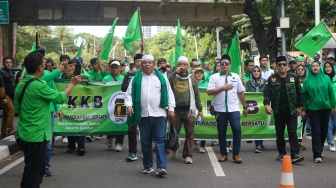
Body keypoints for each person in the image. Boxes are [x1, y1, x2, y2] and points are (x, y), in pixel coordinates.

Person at [14, 51, 81, 188]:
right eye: (44, 64)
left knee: (29, 170)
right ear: (39, 67)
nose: (45, 66)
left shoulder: (22, 84)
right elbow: (60, 97)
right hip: (38, 136)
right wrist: (72, 84)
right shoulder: (38, 85)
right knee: (35, 175)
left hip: (25, 133)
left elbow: (17, 109)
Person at [125, 54, 175, 176]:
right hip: (143, 115)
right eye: (145, 62)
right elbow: (128, 94)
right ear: (141, 65)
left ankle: (161, 167)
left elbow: (169, 93)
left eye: (150, 62)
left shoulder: (161, 77)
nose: (147, 64)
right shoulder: (136, 78)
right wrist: (129, 105)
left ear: (154, 64)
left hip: (159, 114)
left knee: (160, 141)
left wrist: (171, 108)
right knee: (146, 142)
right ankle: (148, 166)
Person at [207, 54, 248, 163]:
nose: (224, 66)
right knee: (221, 132)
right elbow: (209, 91)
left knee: (236, 129)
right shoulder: (214, 77)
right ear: (219, 65)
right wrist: (222, 88)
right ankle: (224, 154)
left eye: (226, 64)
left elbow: (240, 92)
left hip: (233, 109)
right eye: (222, 64)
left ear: (230, 65)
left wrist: (245, 106)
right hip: (220, 109)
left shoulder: (235, 76)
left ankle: (236, 154)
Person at [263, 56, 304, 163]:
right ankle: (282, 152)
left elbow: (299, 92)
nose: (282, 66)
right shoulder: (272, 79)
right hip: (278, 110)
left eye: (284, 64)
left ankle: (295, 154)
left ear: (287, 66)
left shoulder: (293, 77)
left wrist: (301, 107)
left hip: (291, 110)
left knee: (292, 131)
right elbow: (267, 93)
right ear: (276, 66)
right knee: (280, 133)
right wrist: (266, 105)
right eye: (279, 64)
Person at [168, 56, 203, 164]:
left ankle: (188, 155)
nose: (182, 66)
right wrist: (174, 72)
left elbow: (196, 95)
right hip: (175, 110)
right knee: (174, 132)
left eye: (184, 64)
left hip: (189, 110)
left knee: (190, 134)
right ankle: (174, 148)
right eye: (180, 64)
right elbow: (165, 84)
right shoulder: (173, 77)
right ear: (177, 66)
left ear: (188, 66)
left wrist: (200, 109)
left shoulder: (191, 79)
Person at [302, 61, 336, 163]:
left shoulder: (326, 78)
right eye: (313, 66)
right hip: (313, 109)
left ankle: (320, 148)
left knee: (324, 130)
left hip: (325, 108)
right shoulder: (307, 81)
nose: (315, 67)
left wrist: (333, 105)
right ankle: (317, 154)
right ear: (310, 68)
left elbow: (331, 92)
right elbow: (304, 96)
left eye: (317, 66)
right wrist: (303, 108)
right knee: (316, 131)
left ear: (320, 67)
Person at [121, 54, 142, 162]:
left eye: (141, 61)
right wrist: (133, 83)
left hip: (145, 106)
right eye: (137, 61)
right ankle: (132, 152)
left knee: (146, 130)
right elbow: (123, 87)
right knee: (132, 129)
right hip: (132, 106)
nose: (139, 63)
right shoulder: (129, 74)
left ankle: (145, 150)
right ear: (134, 63)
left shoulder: (149, 75)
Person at [103, 60, 125, 152]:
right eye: (113, 67)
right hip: (109, 103)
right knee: (110, 122)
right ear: (110, 68)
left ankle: (119, 143)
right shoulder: (106, 78)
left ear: (120, 68)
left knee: (121, 122)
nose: (115, 69)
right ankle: (110, 137)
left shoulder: (124, 78)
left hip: (121, 103)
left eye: (116, 67)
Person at [245, 65, 266, 153]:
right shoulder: (248, 83)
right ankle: (258, 144)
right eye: (254, 71)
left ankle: (260, 143)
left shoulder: (265, 82)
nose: (256, 72)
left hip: (262, 107)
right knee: (256, 125)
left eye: (258, 71)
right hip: (252, 107)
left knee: (261, 124)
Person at [193, 68, 208, 153]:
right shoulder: (192, 83)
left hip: (204, 108)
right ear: (194, 74)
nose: (199, 74)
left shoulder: (207, 84)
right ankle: (195, 142)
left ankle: (202, 145)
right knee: (194, 125)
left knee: (203, 125)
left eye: (201, 73)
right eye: (197, 73)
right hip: (193, 108)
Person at [0, 57, 15, 139]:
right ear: (3, 63)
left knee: (6, 114)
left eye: (10, 62)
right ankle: (10, 131)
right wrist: (3, 97)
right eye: (7, 62)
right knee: (11, 111)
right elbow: (1, 87)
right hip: (5, 96)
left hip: (11, 95)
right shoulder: (2, 73)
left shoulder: (10, 72)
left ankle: (3, 133)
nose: (9, 64)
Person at [295, 65, 309, 149]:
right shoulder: (293, 79)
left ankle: (299, 141)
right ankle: (294, 141)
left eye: (302, 69)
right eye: (298, 69)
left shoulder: (307, 80)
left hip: (305, 105)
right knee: (295, 124)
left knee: (303, 124)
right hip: (295, 105)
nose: (300, 71)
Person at [324, 62, 336, 152]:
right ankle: (331, 142)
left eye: (329, 67)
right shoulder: (322, 79)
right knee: (329, 125)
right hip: (326, 105)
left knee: (335, 124)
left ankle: (331, 137)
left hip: (335, 105)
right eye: (326, 67)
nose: (328, 69)